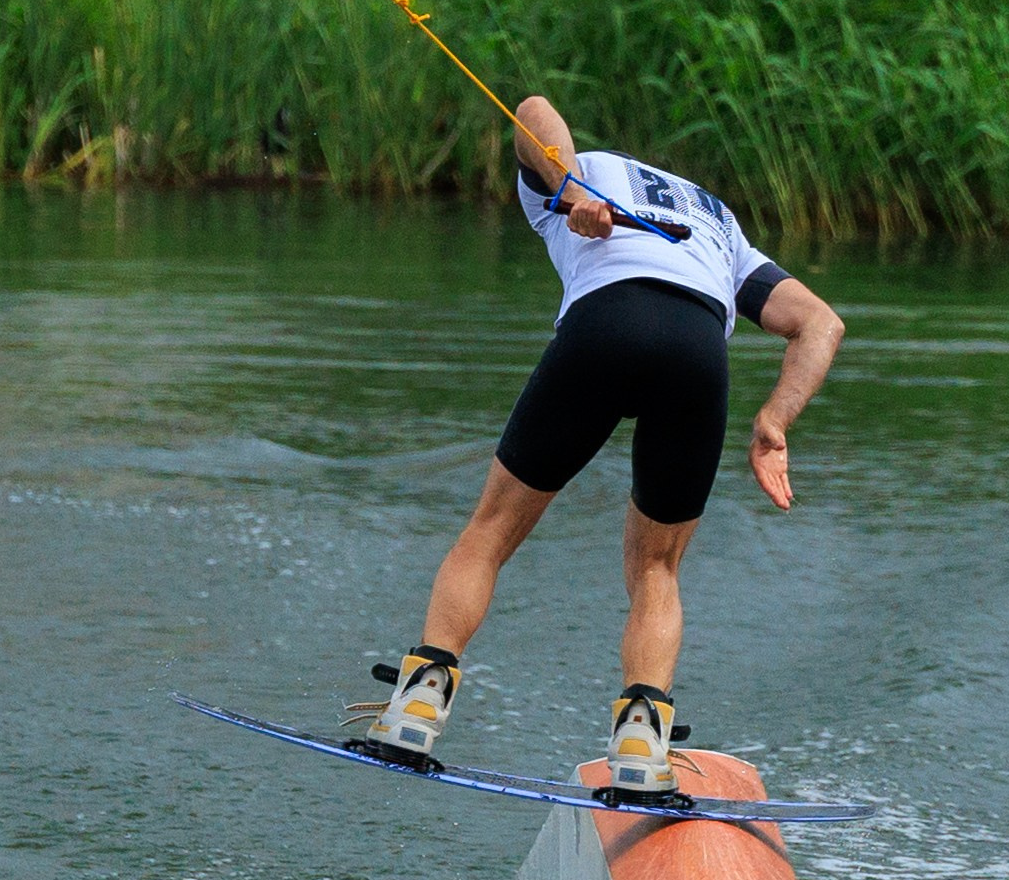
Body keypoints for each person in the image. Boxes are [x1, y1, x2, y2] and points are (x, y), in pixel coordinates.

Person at [355, 95, 845, 793]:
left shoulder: (574, 172)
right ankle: (641, 746)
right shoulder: (717, 219)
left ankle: (418, 702)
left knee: (491, 529)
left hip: (606, 326)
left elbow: (529, 111)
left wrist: (571, 187)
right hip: (698, 351)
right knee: (658, 570)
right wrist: (775, 421)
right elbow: (820, 324)